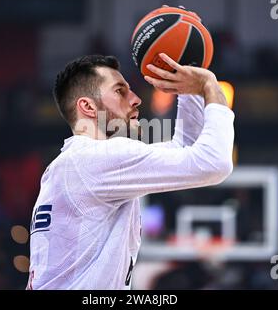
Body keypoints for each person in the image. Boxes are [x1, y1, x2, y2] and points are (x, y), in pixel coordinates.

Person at [27, 53, 234, 289]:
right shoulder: (96, 160)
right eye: (120, 91)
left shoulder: (75, 164)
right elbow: (215, 164)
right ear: (88, 106)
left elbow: (186, 150)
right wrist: (208, 84)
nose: (135, 99)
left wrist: (189, 84)